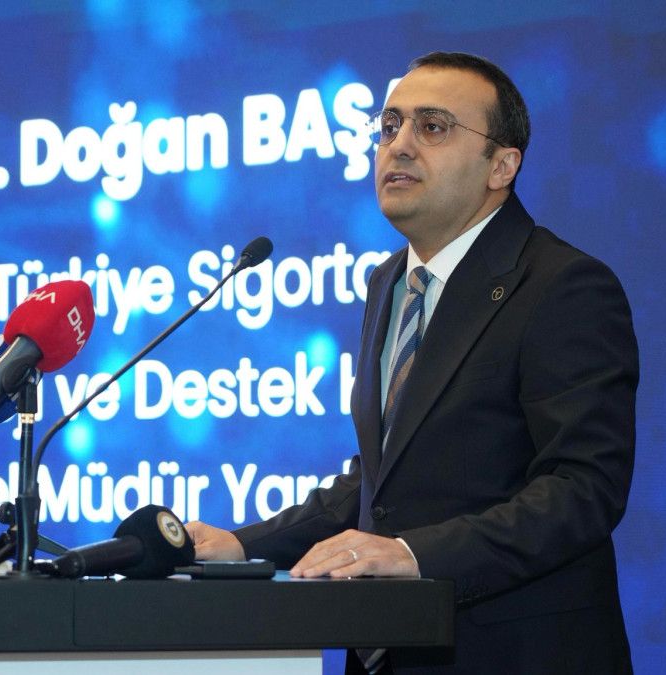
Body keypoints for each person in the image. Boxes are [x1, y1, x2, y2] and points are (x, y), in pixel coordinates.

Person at [187, 51, 638, 674]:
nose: (398, 145)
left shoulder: (563, 286)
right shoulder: (389, 283)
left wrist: (414, 554)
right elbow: (382, 484)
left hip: (513, 653)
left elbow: (582, 490)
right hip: (388, 647)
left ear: (502, 166)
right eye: (389, 126)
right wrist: (241, 544)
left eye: (432, 127)